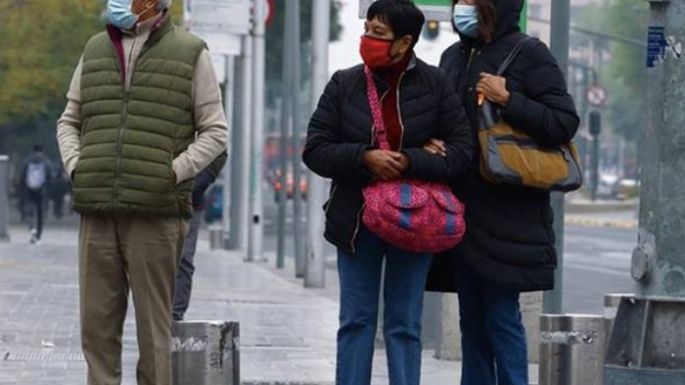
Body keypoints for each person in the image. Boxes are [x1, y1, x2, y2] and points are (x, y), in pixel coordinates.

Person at [55, 0, 228, 383]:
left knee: (154, 333)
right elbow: (69, 120)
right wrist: (77, 167)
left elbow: (216, 131)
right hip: (98, 209)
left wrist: (171, 173)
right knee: (96, 330)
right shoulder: (94, 48)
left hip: (157, 213)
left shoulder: (191, 51)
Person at [303, 1, 472, 384]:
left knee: (404, 324)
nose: (368, 40)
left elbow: (462, 154)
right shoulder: (343, 84)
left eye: (379, 34)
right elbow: (315, 149)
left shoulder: (435, 86)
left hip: (416, 221)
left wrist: (410, 161)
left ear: (405, 42)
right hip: (356, 222)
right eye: (367, 30)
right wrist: (365, 158)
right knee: (356, 321)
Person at [425, 1, 580, 384]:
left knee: (500, 316)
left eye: (473, 2)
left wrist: (509, 98)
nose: (463, 9)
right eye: (459, 1)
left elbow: (563, 122)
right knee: (471, 321)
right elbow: (446, 119)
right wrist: (430, 141)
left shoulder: (530, 54)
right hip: (461, 210)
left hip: (509, 213)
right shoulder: (453, 56)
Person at [172, 150, 227, 321]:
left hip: (191, 202)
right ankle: (156, 311)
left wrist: (197, 183)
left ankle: (175, 313)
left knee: (184, 257)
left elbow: (219, 151)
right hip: (154, 200)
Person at [20, 145, 53, 244]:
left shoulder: (27, 161)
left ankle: (32, 229)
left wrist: (22, 188)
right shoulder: (46, 161)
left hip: (29, 189)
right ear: (42, 150)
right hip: (42, 190)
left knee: (30, 210)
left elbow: (22, 177)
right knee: (40, 213)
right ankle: (38, 235)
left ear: (33, 150)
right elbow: (50, 177)